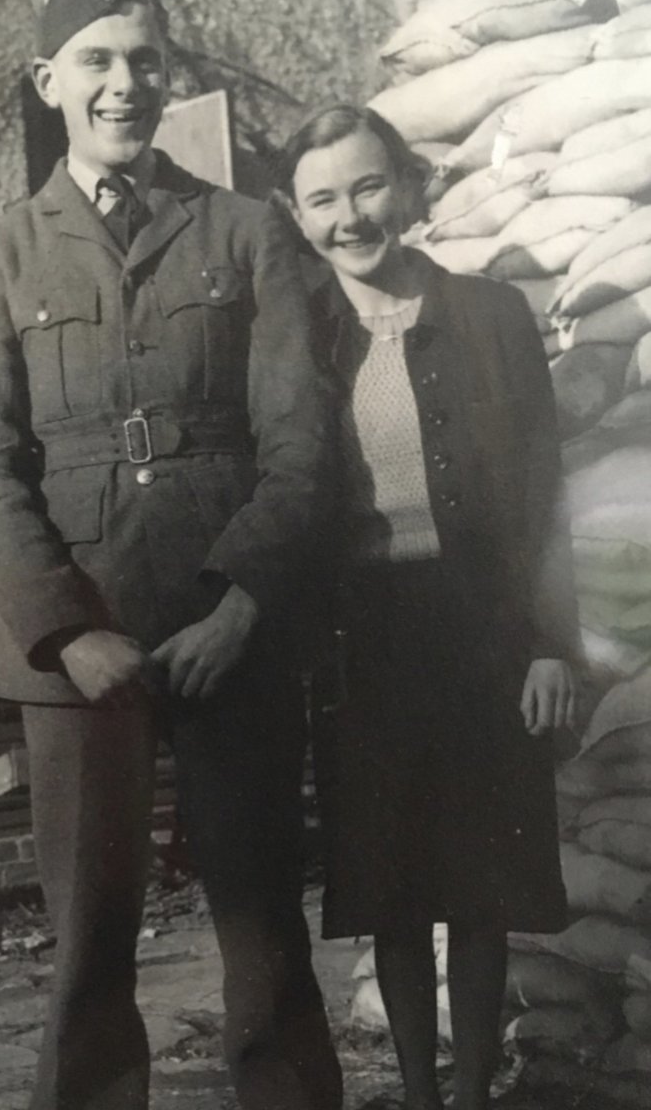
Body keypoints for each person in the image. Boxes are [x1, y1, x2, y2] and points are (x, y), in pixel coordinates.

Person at [0, 0, 342, 1110]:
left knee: (265, 938)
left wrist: (242, 604)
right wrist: (66, 634)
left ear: (170, 80)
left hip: (233, 635)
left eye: (146, 62)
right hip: (84, 657)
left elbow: (301, 443)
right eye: (97, 62)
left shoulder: (246, 233)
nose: (125, 84)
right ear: (47, 80)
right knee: (88, 953)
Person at [274, 104, 579, 1110]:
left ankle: (476, 1087)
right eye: (321, 199)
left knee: (481, 886)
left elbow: (542, 490)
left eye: (366, 187)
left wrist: (548, 645)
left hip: (483, 629)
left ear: (405, 188)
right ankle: (416, 1093)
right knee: (394, 889)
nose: (349, 217)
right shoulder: (295, 337)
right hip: (362, 640)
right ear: (295, 212)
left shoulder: (489, 314)